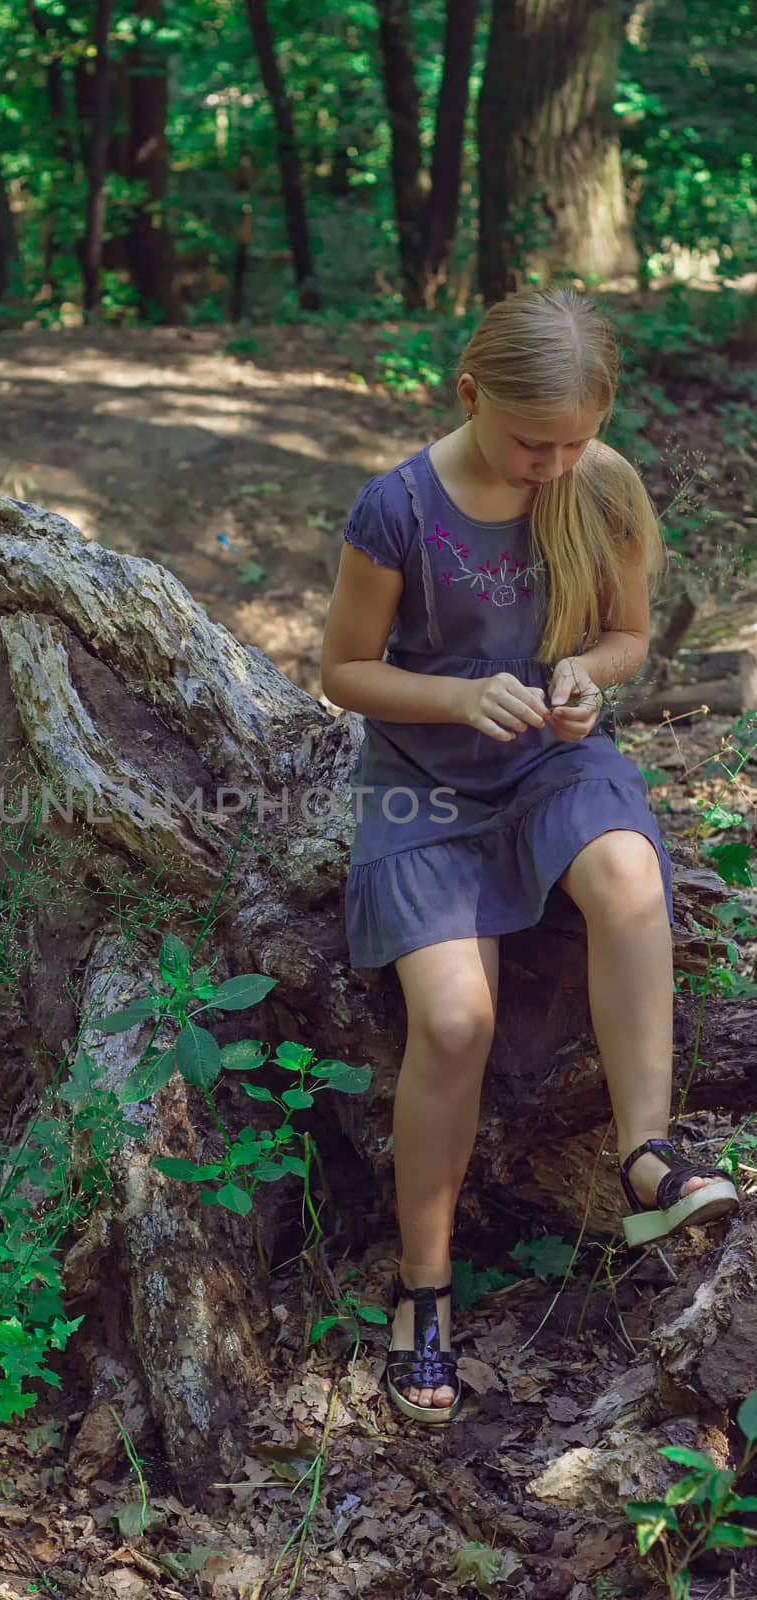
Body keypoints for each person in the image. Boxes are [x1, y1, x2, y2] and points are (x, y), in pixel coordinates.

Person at [319, 285, 741, 1427]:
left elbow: (624, 637)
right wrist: (458, 692)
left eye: (572, 440)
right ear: (469, 396)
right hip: (423, 789)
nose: (552, 464)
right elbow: (342, 671)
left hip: (550, 768)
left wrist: (580, 681)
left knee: (624, 875)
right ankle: (422, 1291)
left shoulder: (595, 483)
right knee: (454, 1020)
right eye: (530, 442)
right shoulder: (396, 508)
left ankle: (646, 1152)